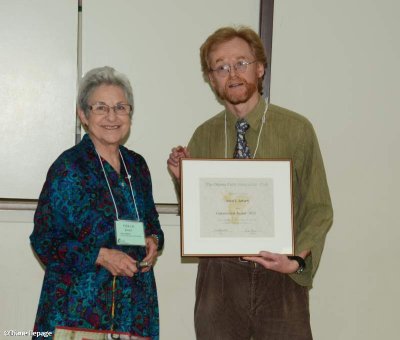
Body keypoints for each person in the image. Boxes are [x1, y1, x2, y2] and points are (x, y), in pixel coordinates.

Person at [167, 26, 333, 339]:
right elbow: (199, 216)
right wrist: (182, 181)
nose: (232, 73)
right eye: (221, 66)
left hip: (280, 276)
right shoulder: (204, 135)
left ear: (260, 68)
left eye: (241, 62)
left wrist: (296, 260)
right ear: (210, 78)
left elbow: (319, 208)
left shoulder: (297, 129)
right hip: (219, 279)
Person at [30, 66, 164, 339]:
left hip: (133, 307)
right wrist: (101, 256)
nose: (112, 116)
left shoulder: (137, 165)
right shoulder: (68, 168)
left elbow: (152, 222)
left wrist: (153, 239)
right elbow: (44, 240)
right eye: (101, 108)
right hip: (79, 310)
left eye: (120, 107)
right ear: (84, 115)